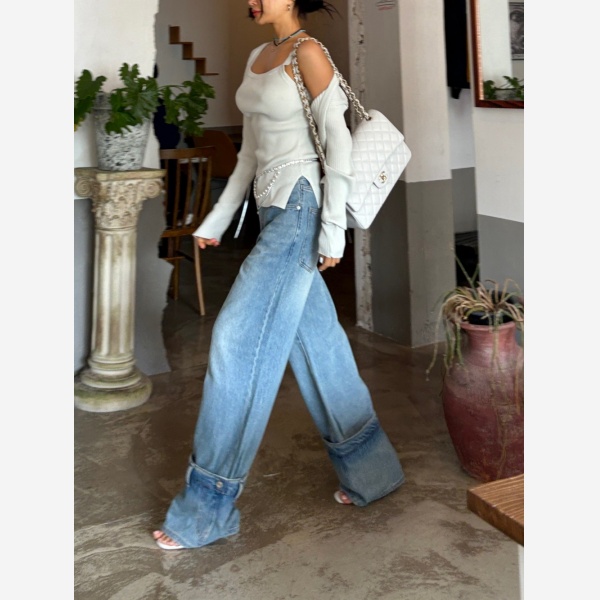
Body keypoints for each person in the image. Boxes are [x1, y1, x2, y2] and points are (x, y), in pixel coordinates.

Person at [153, 0, 405, 551]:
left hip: (300, 210)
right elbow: (249, 154)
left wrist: (333, 230)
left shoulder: (309, 53)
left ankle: (208, 508)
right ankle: (373, 471)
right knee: (319, 346)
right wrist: (217, 219)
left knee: (237, 338)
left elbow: (338, 143)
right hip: (272, 211)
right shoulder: (258, 57)